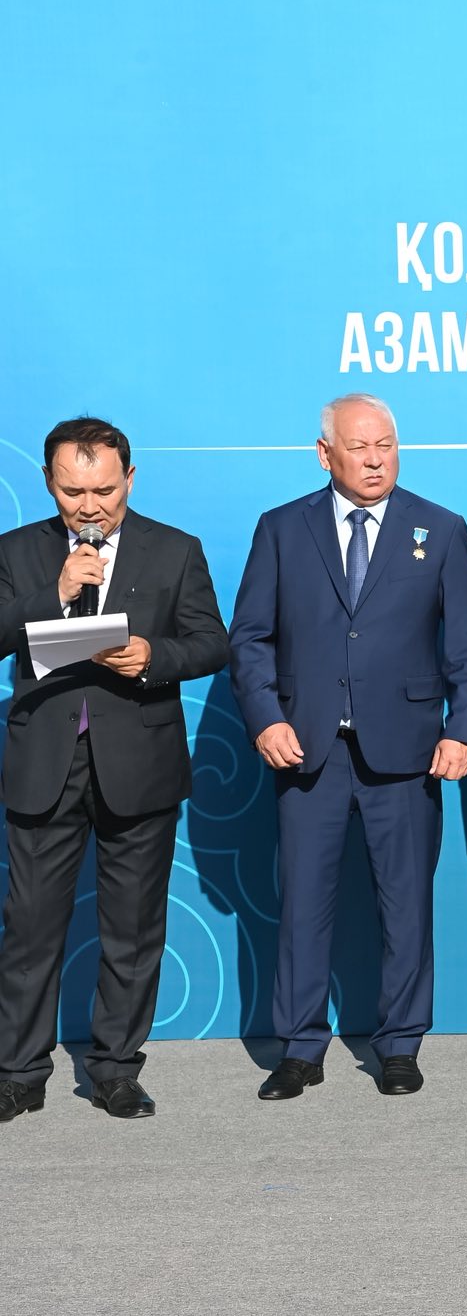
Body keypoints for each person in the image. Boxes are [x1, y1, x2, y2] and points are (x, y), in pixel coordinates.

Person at [228, 393, 467, 1100]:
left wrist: (463, 728)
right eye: (360, 447)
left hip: (407, 751)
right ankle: (299, 1048)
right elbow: (249, 638)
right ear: (325, 454)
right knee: (302, 906)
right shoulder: (282, 529)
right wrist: (265, 719)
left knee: (406, 905)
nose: (376, 460)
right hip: (306, 748)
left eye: (386, 446)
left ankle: (400, 1045)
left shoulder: (440, 529)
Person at [0, 417, 227, 1121]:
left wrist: (155, 657)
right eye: (73, 492)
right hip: (44, 762)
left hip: (140, 762)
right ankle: (19, 1072)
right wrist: (55, 591)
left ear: (130, 478)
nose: (90, 507)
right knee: (30, 928)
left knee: (133, 930)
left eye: (104, 490)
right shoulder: (16, 550)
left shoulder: (175, 549)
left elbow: (211, 642)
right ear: (48, 482)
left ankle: (116, 1070)